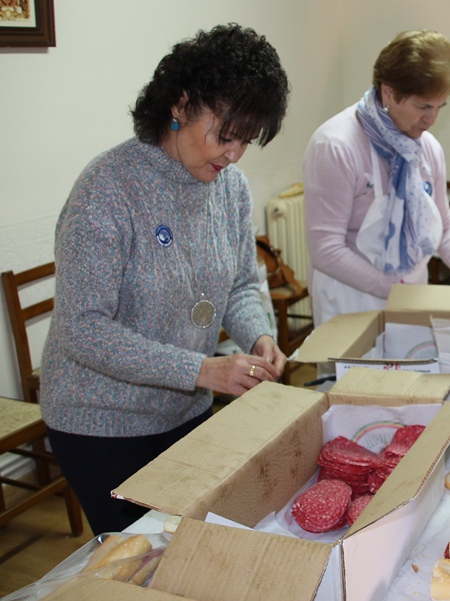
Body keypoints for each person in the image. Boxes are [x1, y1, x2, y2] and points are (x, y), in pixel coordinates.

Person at [40, 24, 290, 535]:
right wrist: (203, 370)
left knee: (195, 544)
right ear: (180, 104)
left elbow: (241, 283)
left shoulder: (230, 187)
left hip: (185, 411)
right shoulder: (106, 190)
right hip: (101, 424)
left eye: (246, 140)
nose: (234, 153)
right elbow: (82, 329)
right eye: (225, 134)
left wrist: (259, 334)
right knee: (141, 563)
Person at [304, 30, 450, 326]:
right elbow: (326, 249)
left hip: (410, 293)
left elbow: (444, 224)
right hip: (350, 299)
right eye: (424, 106)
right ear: (388, 92)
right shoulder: (336, 145)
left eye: (440, 106)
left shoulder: (426, 148)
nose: (432, 119)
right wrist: (393, 290)